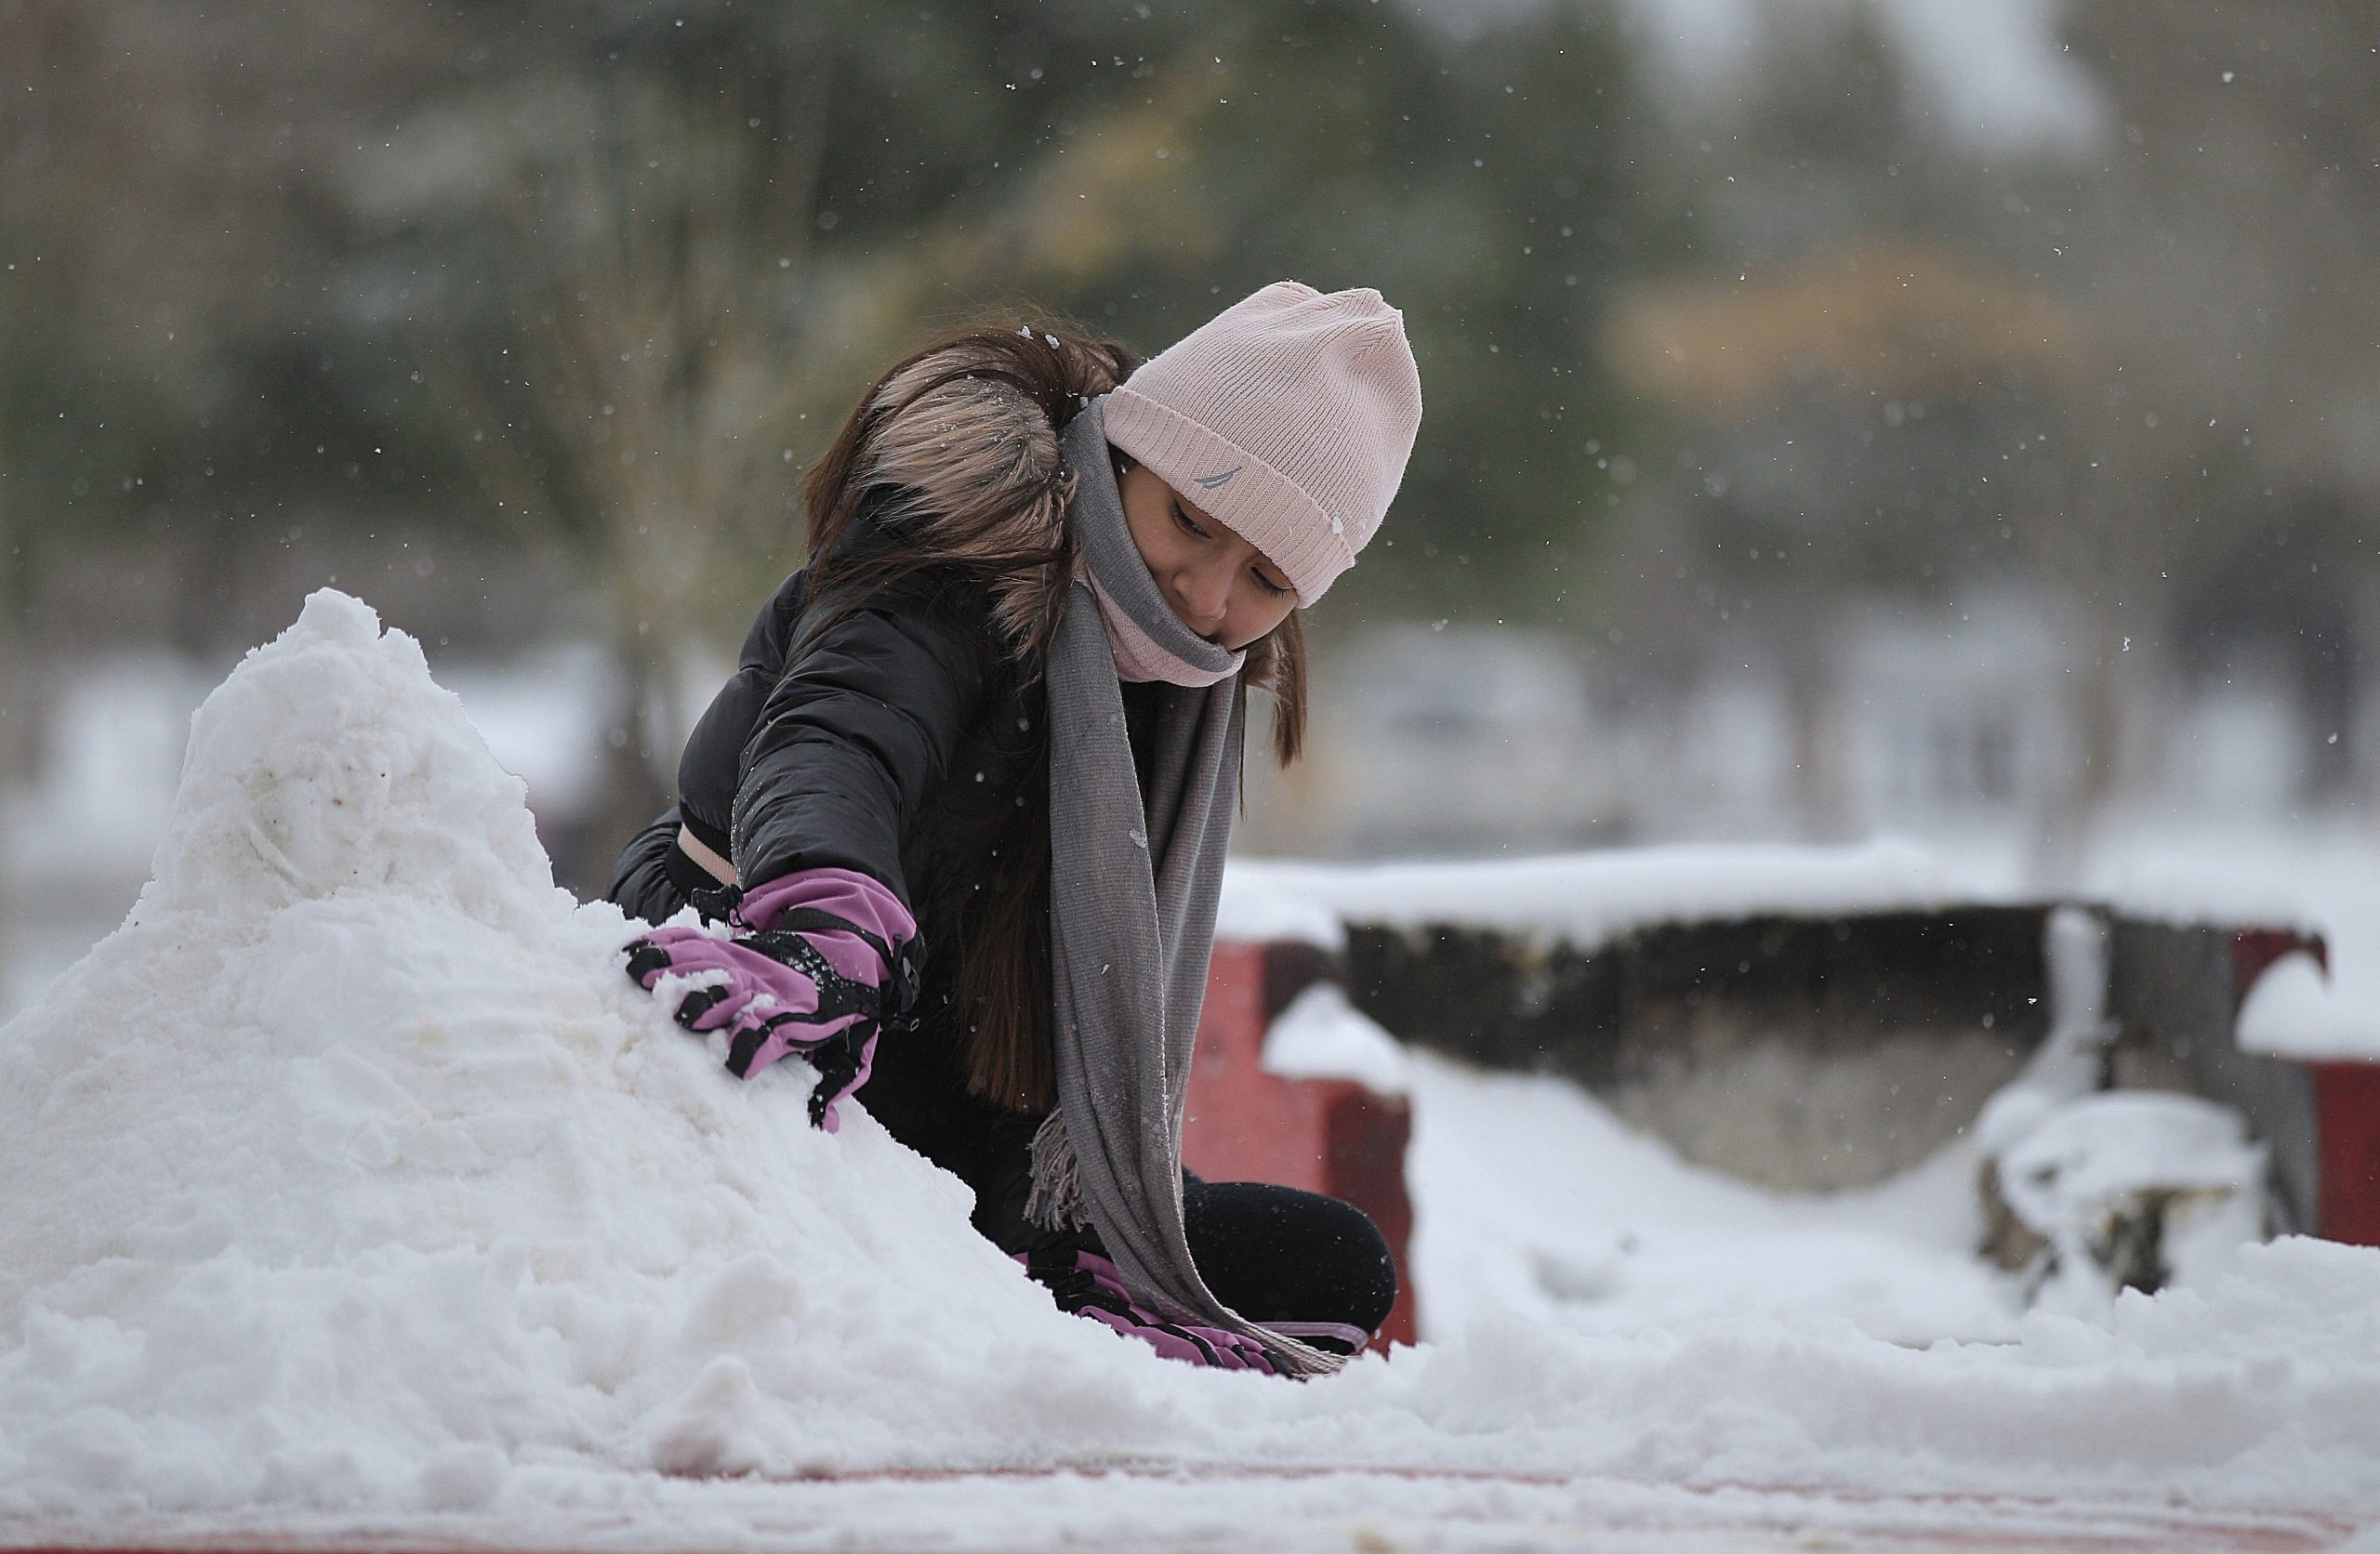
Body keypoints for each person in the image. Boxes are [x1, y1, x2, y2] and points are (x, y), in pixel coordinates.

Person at [608, 281, 1423, 1377]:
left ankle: (1061, 1272)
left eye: (1267, 578)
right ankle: (1014, 1288)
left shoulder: (1182, 688)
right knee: (845, 1200)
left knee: (1334, 1265)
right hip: (768, 973)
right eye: (1191, 519)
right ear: (1124, 456)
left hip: (960, 1087)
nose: (1202, 592)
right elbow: (842, 733)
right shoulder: (956, 556)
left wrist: (1085, 1201)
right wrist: (824, 914)